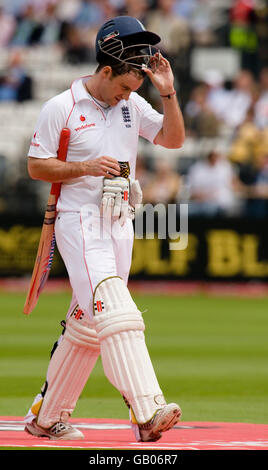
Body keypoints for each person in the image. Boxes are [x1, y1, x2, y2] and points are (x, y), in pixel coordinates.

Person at [24, 16, 185, 442]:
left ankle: (45, 417)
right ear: (107, 69)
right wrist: (84, 167)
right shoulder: (63, 106)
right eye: (125, 86)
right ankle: (147, 410)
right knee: (115, 309)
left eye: (136, 89)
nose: (127, 96)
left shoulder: (131, 105)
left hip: (120, 222)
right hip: (78, 221)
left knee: (87, 324)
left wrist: (166, 92)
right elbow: (36, 166)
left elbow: (172, 139)